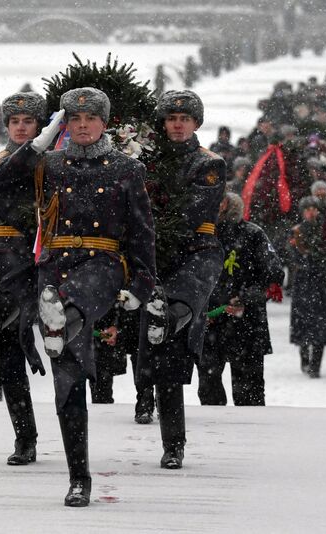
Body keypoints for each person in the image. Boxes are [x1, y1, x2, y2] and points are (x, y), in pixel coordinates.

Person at [35, 87, 155, 506]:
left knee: (77, 298)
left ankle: (61, 317)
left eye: (90, 118)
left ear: (105, 123)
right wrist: (38, 142)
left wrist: (142, 283)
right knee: (67, 385)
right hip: (55, 267)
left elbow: (142, 232)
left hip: (104, 264)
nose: (82, 125)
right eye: (74, 119)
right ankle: (78, 478)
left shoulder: (127, 168)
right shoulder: (49, 164)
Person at [136, 89, 225, 470]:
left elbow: (192, 212)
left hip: (193, 255)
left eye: (184, 119)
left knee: (172, 348)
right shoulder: (144, 161)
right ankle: (151, 409)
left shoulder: (209, 163)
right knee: (151, 352)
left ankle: (174, 444)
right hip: (153, 256)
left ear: (196, 124)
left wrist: (151, 225)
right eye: (171, 118)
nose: (177, 125)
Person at [0, 91, 59, 467]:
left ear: (40, 125)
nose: (22, 127)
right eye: (15, 122)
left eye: (29, 122)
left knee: (64, 339)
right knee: (8, 346)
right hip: (10, 258)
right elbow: (3, 194)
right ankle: (25, 436)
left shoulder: (58, 162)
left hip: (51, 254)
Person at [198, 192, 283, 404]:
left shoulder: (252, 234)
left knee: (249, 392)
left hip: (246, 323)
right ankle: (213, 432)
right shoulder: (202, 234)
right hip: (211, 321)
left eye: (221, 201)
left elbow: (274, 272)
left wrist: (245, 298)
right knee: (208, 389)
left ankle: (250, 433)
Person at [288, 196, 326, 378]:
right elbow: (292, 255)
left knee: (319, 325)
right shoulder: (296, 231)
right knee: (302, 324)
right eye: (308, 209)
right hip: (303, 282)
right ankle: (305, 358)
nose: (311, 212)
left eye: (314, 208)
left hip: (321, 283)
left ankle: (316, 364)